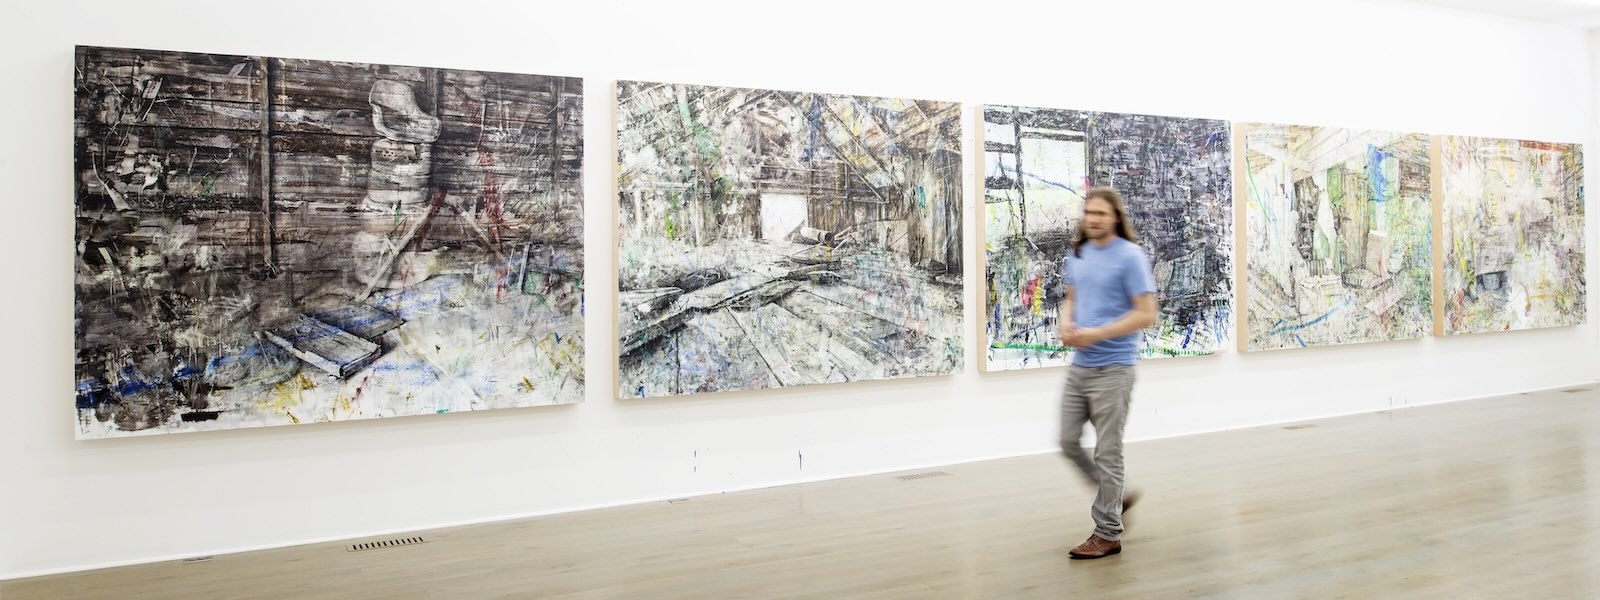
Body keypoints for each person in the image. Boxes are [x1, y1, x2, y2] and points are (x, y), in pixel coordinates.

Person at [1056, 186, 1159, 560]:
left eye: (1100, 213)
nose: (1093, 219)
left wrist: (1096, 333)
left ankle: (1108, 532)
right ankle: (1117, 496)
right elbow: (1072, 299)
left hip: (1114, 368)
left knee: (1108, 453)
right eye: (1089, 213)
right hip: (1080, 367)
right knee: (1067, 442)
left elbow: (1146, 313)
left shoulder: (1130, 257)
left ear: (1115, 217)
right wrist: (1067, 323)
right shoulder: (1078, 253)